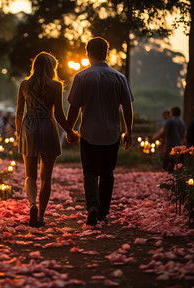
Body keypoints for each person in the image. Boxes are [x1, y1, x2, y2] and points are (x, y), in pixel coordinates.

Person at [66, 37, 134, 226]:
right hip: (112, 133)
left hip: (89, 133)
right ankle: (103, 212)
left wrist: (69, 130)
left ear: (88, 53)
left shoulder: (81, 77)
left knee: (89, 172)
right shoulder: (119, 77)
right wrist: (129, 131)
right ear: (107, 53)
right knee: (107, 174)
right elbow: (127, 107)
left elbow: (74, 108)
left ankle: (92, 207)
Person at [16, 52, 79, 228]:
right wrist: (71, 132)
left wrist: (19, 132)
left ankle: (32, 205)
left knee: (30, 175)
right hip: (48, 127)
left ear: (34, 66)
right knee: (46, 177)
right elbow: (59, 113)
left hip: (29, 128)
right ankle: (41, 217)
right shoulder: (56, 85)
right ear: (52, 68)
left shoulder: (25, 84)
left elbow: (19, 112)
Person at [153, 106, 186, 171]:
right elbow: (184, 136)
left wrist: (155, 137)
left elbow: (164, 132)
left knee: (165, 167)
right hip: (180, 147)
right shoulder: (182, 122)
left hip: (170, 147)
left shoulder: (170, 121)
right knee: (177, 167)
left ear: (172, 113)